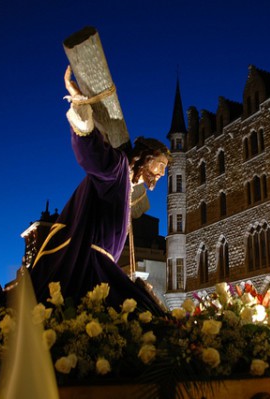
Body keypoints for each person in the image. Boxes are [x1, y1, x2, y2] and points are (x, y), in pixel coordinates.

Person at [28, 66, 170, 315]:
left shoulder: (128, 186)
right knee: (143, 313)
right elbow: (90, 153)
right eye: (159, 165)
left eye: (163, 170)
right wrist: (81, 108)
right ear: (144, 157)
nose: (160, 174)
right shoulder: (116, 169)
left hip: (104, 266)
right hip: (90, 265)